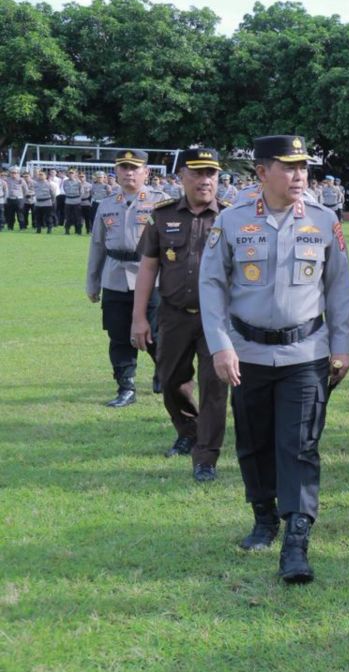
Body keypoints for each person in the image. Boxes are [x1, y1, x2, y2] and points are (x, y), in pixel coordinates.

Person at [199, 134, 349, 584]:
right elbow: (211, 286)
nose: (299, 175)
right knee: (254, 441)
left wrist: (341, 347)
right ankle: (263, 517)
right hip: (245, 352)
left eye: (303, 166)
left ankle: (296, 538)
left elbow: (339, 290)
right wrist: (220, 345)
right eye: (288, 167)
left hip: (305, 353)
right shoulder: (231, 222)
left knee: (300, 445)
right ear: (262, 172)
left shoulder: (325, 222)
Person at [132, 148, 231, 481]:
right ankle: (188, 429)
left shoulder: (232, 217)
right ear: (182, 177)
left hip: (217, 319)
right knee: (171, 379)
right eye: (198, 173)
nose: (205, 181)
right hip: (173, 315)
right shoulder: (161, 216)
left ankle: (206, 456)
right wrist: (139, 317)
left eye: (211, 174)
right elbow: (148, 267)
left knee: (215, 386)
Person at [86, 152, 169, 407]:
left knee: (155, 334)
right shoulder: (107, 204)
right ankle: (126, 387)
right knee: (119, 336)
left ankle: (164, 374)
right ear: (117, 172)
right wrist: (92, 281)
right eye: (123, 168)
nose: (129, 173)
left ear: (146, 172)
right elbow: (97, 245)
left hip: (151, 279)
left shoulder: (161, 203)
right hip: (115, 279)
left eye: (134, 168)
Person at [61, 169, 85, 234]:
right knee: (67, 216)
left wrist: (78, 198)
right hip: (68, 201)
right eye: (70, 173)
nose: (71, 174)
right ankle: (67, 230)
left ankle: (78, 231)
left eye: (72, 173)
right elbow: (64, 189)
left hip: (76, 201)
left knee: (78, 217)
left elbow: (81, 192)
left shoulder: (78, 182)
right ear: (68, 174)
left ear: (75, 174)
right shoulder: (65, 182)